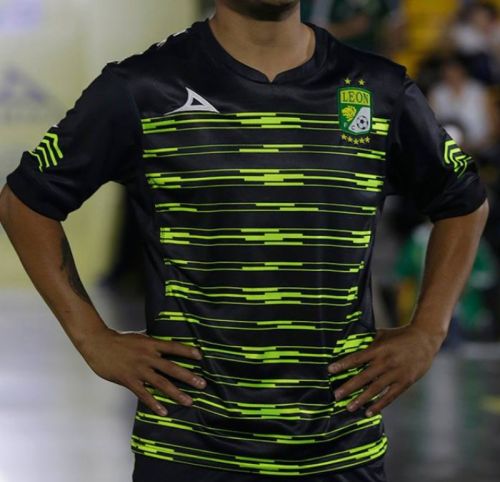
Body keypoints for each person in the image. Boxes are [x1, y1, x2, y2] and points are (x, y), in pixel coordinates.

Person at [0, 1, 489, 481]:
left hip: (340, 452)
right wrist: (92, 339)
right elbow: (24, 203)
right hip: (190, 451)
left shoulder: (379, 89)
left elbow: (463, 202)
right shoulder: (144, 87)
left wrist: (429, 331)